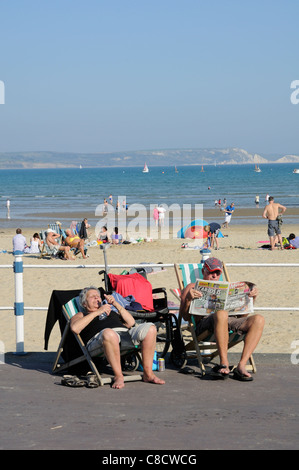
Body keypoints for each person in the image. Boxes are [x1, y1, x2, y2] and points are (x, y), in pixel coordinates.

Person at [179, 257, 264, 381]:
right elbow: (185, 317)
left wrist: (251, 298)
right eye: (210, 272)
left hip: (230, 321)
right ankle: (223, 363)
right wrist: (188, 299)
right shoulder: (192, 287)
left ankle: (241, 365)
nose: (214, 276)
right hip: (205, 325)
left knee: (259, 319)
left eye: (217, 273)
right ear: (204, 271)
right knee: (221, 314)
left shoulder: (227, 288)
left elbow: (242, 317)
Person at [70, 287, 165, 389]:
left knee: (150, 328)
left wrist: (116, 304)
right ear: (84, 303)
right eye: (93, 297)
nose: (97, 298)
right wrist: (97, 312)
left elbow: (131, 322)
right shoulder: (81, 314)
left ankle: (148, 374)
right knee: (109, 333)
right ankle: (118, 376)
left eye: (98, 296)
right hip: (101, 338)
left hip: (124, 334)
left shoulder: (111, 311)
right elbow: (75, 328)